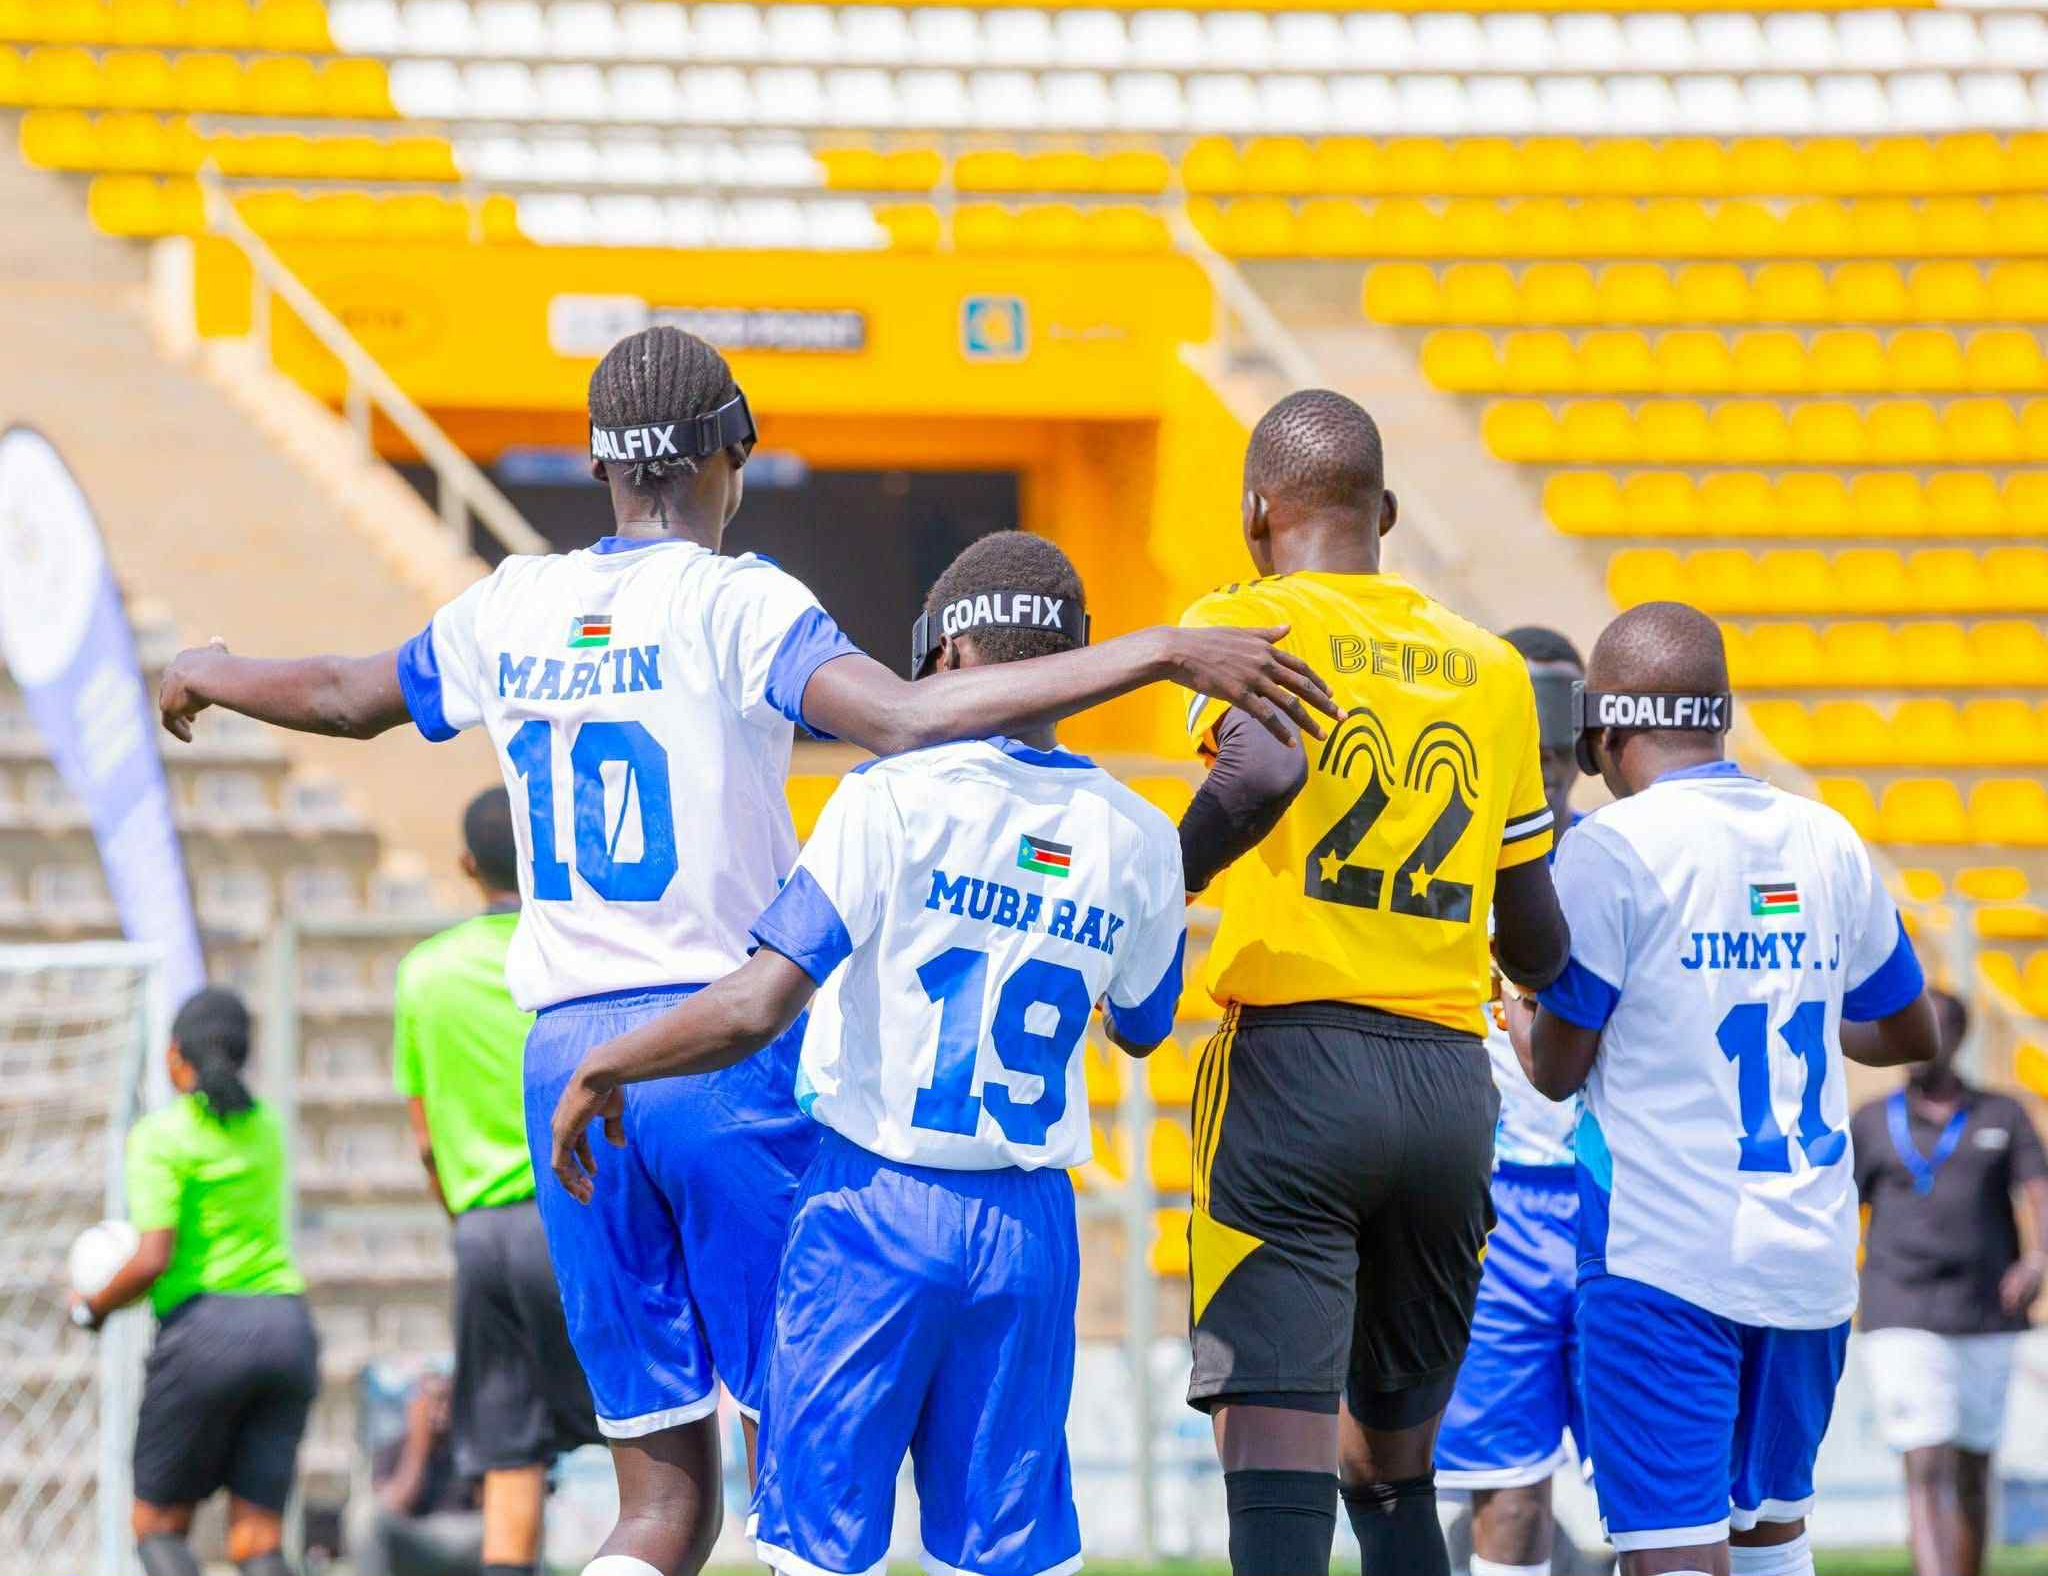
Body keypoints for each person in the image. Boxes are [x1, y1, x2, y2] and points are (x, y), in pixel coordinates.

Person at [156, 325, 1336, 1576]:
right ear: (733, 450)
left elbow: (348, 696)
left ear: (600, 463)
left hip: (566, 1063)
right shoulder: (740, 601)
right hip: (725, 1041)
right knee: (800, 1483)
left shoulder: (511, 603)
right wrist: (1157, 648)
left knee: (658, 1513)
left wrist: (214, 671)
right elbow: (904, 717)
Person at [548, 530, 1188, 1576]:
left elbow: (759, 1001)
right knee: (1006, 1559)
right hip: (1026, 1225)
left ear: (945, 654)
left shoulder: (891, 794)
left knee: (818, 1551)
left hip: (873, 1207)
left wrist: (607, 1062)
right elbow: (1143, 1022)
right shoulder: (1140, 832)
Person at [1171, 389, 1572, 1576]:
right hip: (1447, 1088)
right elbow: (1534, 935)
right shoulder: (1490, 665)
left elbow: (1259, 769)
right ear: (1384, 512)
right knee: (1393, 1474)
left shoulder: (1242, 621)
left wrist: (1151, 886)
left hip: (1292, 1066)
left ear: (1255, 512)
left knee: (1276, 1465)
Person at [1507, 601, 1940, 1576]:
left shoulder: (1610, 847)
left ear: (1603, 732)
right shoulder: (1823, 836)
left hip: (1664, 1260)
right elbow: (1909, 1029)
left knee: (1671, 1551)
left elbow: (1554, 1071)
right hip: (1809, 1260)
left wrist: (1514, 1004)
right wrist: (1779, 995)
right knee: (1773, 1535)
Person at [392, 787, 600, 1576]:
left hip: (481, 1233)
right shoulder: (575, 951)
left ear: (465, 865)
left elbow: (424, 1140)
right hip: (576, 1213)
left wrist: (466, 1220)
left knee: (508, 1447)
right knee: (645, 1427)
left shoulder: (423, 972)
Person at [68, 988, 320, 1576]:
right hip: (287, 1331)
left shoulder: (161, 1136)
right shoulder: (267, 1127)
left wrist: (92, 1307)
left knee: (157, 1525)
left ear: (175, 1056)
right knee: (257, 1539)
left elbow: (152, 1258)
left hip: (207, 1332)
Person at [1436, 626, 1589, 1576]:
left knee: (1661, 1492)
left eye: (1564, 737)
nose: (1549, 759)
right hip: (1498, 1208)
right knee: (1510, 1490)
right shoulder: (1446, 863)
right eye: (1531, 738)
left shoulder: (1624, 860)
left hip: (1625, 1197)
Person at [1852, 989, 2048, 1576]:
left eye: (1930, 1029)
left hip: (1988, 1311)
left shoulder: (2003, 1114)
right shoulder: (1872, 1121)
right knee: (1924, 1458)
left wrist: (2038, 1259)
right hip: (1901, 1308)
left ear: (1959, 1037)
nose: (1915, 1044)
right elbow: (1838, 1208)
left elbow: (2038, 1192)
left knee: (1972, 1465)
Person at [356, 1373, 486, 1576]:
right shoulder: (391, 1449)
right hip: (417, 1537)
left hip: (465, 1535)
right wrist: (419, 1443)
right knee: (365, 1517)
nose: (441, 1409)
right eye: (434, 1400)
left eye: (447, 1400)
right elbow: (394, 1506)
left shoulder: (469, 1448)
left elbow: (489, 1507)